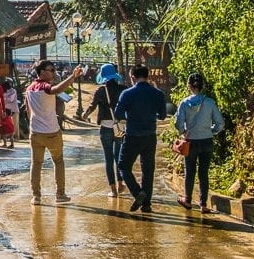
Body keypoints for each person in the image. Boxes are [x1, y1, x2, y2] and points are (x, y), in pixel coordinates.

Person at [26, 60, 83, 205]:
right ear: (41, 72)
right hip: (52, 131)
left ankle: (36, 196)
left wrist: (33, 126)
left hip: (35, 133)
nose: (53, 72)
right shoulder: (45, 86)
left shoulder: (29, 88)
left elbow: (28, 111)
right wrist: (72, 77)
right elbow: (57, 90)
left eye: (53, 70)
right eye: (50, 70)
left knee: (36, 164)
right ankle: (60, 194)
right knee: (58, 162)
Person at [115, 64, 167, 213]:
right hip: (150, 136)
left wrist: (130, 115)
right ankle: (147, 204)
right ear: (148, 76)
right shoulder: (157, 93)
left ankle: (138, 193)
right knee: (148, 170)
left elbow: (118, 114)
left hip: (132, 135)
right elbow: (162, 115)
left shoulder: (127, 94)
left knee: (123, 166)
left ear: (132, 77)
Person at [175, 72, 225, 213]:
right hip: (207, 141)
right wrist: (211, 131)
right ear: (202, 86)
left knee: (190, 172)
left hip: (191, 141)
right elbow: (220, 123)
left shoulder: (184, 103)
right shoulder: (209, 102)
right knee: (204, 173)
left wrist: (184, 132)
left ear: (189, 86)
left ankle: (187, 200)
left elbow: (178, 124)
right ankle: (203, 204)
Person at [81, 63, 126, 197]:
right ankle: (120, 184)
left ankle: (113, 190)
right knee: (119, 157)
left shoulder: (100, 91)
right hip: (120, 126)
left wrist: (85, 114)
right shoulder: (123, 89)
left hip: (105, 127)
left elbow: (92, 106)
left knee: (108, 158)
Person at [1, 79, 19, 149]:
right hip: (6, 111)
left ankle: (14, 140)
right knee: (5, 128)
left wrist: (3, 98)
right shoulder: (3, 91)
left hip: (13, 110)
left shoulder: (13, 91)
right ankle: (5, 143)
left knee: (13, 127)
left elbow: (10, 99)